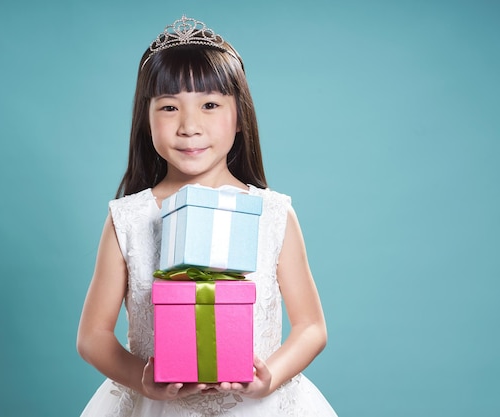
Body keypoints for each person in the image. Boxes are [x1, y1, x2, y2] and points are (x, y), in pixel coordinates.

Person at [77, 15, 338, 416]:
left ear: (239, 117)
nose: (189, 126)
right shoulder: (129, 219)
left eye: (210, 105)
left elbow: (311, 327)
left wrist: (271, 374)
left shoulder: (273, 213)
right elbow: (93, 336)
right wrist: (140, 377)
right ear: (145, 121)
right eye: (168, 107)